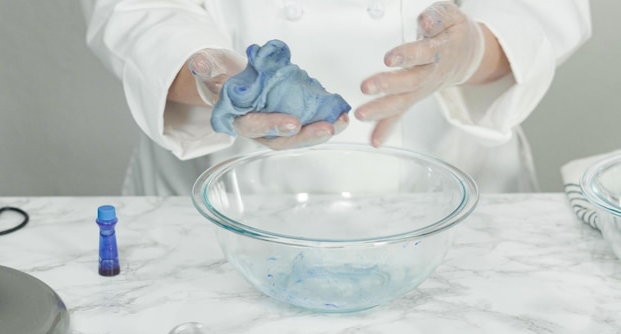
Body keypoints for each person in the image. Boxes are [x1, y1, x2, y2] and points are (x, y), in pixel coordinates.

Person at [80, 0, 591, 196]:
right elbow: (135, 10)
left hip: (449, 189)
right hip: (217, 196)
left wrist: (473, 49)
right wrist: (212, 78)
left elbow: (543, 10)